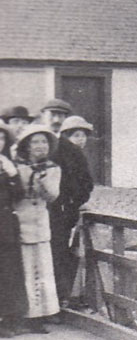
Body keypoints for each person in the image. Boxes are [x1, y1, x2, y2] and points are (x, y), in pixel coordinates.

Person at [40, 100, 93, 308]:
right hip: (28, 215)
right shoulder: (29, 143)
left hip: (59, 216)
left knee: (57, 257)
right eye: (52, 114)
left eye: (61, 116)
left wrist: (70, 204)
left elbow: (85, 183)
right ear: (43, 115)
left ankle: (54, 307)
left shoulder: (72, 150)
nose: (55, 119)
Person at [12, 124, 62, 333]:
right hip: (20, 223)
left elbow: (53, 196)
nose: (40, 146)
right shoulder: (16, 167)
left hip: (40, 224)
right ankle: (21, 315)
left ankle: (39, 316)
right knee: (23, 271)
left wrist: (42, 182)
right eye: (35, 142)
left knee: (42, 272)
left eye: (44, 141)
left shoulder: (52, 169)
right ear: (26, 146)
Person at [0, 123, 27, 337]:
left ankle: (7, 320)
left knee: (8, 272)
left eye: (1, 139)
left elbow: (19, 194)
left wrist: (12, 175)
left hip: (5, 224)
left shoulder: (7, 164)